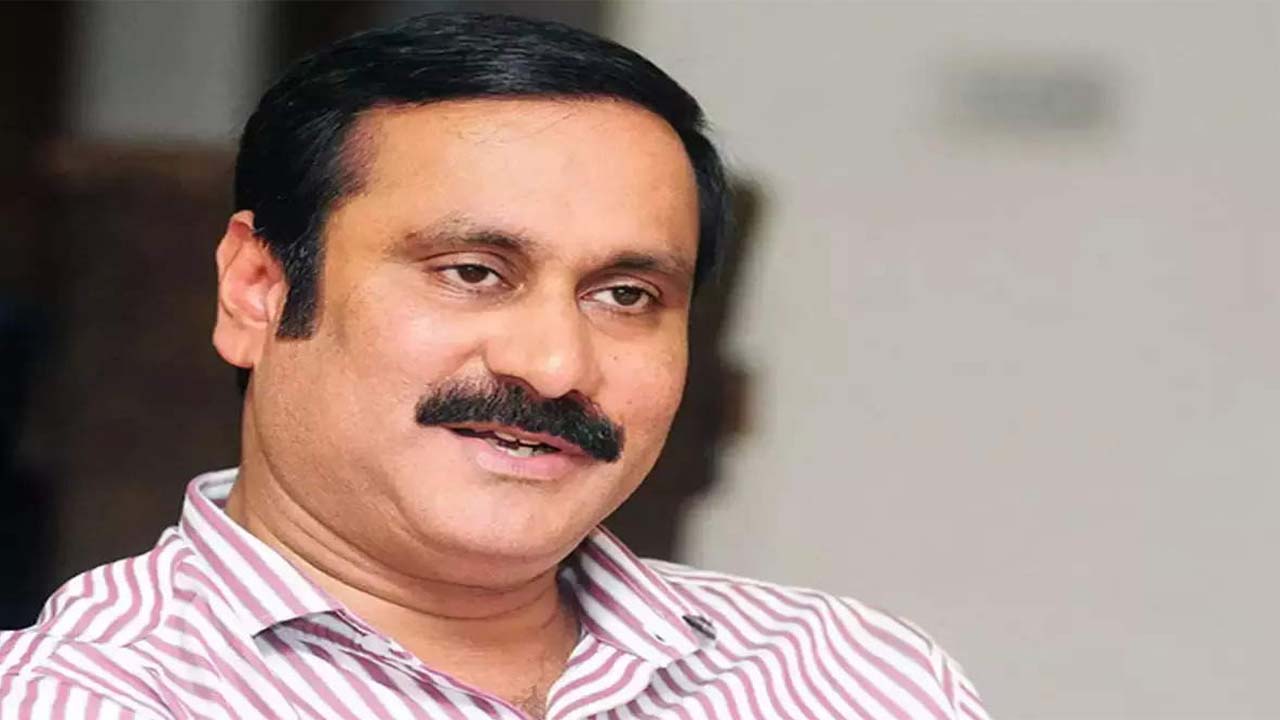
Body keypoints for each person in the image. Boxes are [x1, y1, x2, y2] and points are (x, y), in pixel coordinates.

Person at [0, 12, 990, 720]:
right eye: (472, 273)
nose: (554, 367)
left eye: (625, 295)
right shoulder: (77, 697)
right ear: (257, 290)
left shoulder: (854, 678)